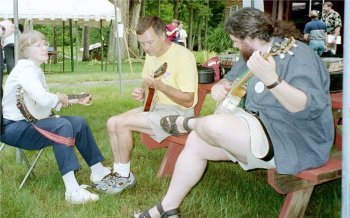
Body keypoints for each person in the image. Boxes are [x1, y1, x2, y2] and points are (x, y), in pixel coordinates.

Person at [134, 8, 334, 217]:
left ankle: (186, 122)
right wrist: (220, 85)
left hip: (295, 141)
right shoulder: (251, 53)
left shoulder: (299, 56)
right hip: (260, 129)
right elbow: (231, 78)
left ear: (249, 37)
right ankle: (167, 208)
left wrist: (272, 80)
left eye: (236, 42)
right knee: (196, 142)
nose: (234, 46)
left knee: (212, 125)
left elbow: (305, 107)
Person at [0, 30, 111, 204]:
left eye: (45, 43)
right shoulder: (25, 70)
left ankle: (98, 171)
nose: (45, 47)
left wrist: (74, 100)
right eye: (39, 45)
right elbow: (43, 99)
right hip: (13, 128)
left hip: (29, 122)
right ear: (26, 49)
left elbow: (39, 107)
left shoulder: (34, 70)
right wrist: (59, 98)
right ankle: (72, 191)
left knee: (78, 123)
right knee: (62, 126)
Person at [93, 16, 198, 195]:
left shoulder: (183, 56)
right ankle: (119, 173)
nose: (146, 48)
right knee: (112, 122)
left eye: (150, 42)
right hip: (155, 108)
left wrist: (161, 86)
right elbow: (147, 86)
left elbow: (189, 100)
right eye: (142, 43)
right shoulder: (151, 55)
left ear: (163, 35)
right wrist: (142, 93)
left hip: (180, 115)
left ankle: (124, 177)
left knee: (122, 123)